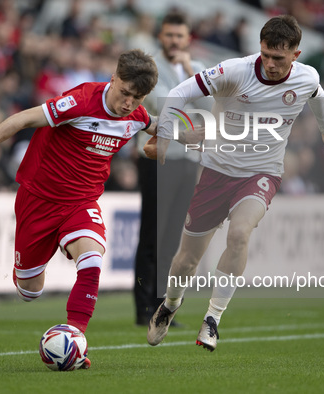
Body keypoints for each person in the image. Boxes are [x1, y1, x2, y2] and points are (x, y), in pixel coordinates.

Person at [145, 15, 324, 351]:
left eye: (279, 58)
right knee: (186, 260)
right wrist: (165, 133)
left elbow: (317, 94)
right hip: (216, 171)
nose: (270, 63)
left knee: (239, 234)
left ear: (296, 55)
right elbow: (179, 92)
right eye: (265, 54)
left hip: (262, 173)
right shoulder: (234, 71)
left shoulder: (307, 77)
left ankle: (212, 319)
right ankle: (171, 305)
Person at [0, 49, 158, 368]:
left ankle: (75, 337)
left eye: (137, 98)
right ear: (113, 78)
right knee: (30, 290)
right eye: (125, 93)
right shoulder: (80, 101)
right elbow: (22, 118)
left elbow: (159, 126)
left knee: (93, 259)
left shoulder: (136, 116)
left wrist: (191, 137)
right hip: (38, 199)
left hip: (81, 202)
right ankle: (28, 271)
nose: (128, 104)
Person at [133, 12, 209, 326]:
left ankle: (161, 306)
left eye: (179, 36)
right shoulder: (150, 69)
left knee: (172, 239)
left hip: (188, 160)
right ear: (160, 37)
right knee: (152, 233)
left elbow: (211, 110)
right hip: (157, 158)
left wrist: (191, 74)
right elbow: (162, 106)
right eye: (169, 35)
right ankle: (143, 307)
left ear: (188, 38)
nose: (174, 41)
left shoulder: (199, 70)